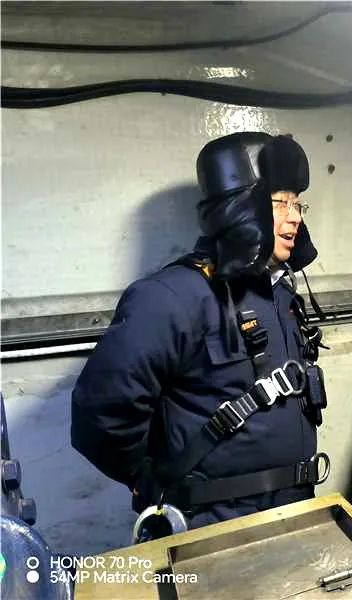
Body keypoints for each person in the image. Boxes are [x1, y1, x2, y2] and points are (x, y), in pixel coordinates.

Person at [71, 132, 329, 533]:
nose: (295, 217)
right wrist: (145, 478)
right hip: (212, 525)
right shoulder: (170, 297)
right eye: (280, 202)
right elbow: (100, 414)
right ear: (240, 207)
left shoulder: (279, 295)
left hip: (292, 514)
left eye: (298, 203)